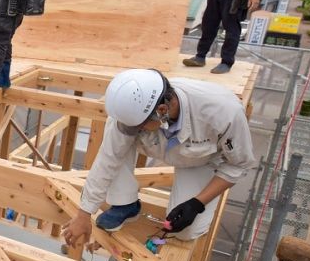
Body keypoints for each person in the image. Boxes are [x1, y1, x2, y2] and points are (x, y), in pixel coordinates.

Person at [62, 68, 256, 246]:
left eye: (139, 126)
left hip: (201, 160)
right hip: (163, 144)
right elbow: (108, 159)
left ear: (162, 110)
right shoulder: (131, 113)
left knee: (186, 232)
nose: (133, 129)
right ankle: (125, 203)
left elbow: (238, 165)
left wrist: (197, 203)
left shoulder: (223, 113)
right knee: (117, 139)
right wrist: (84, 214)